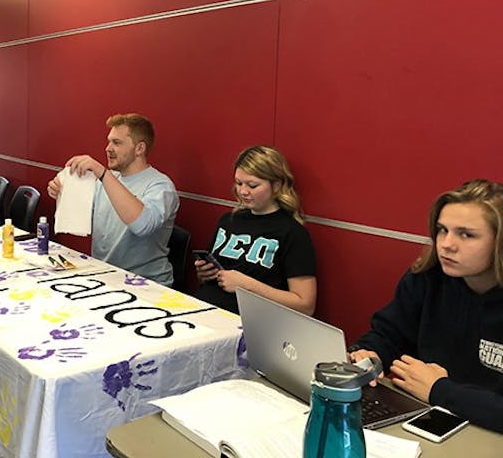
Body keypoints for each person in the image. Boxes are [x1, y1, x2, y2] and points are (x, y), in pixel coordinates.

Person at [348, 179, 503, 433]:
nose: (447, 244)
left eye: (466, 234)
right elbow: (389, 334)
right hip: (429, 418)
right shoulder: (427, 278)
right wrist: (369, 354)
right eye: (442, 230)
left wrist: (440, 390)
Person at [47, 113, 179, 285]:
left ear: (139, 149)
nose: (108, 148)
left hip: (147, 285)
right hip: (106, 276)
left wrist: (102, 173)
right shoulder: (108, 181)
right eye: (109, 141)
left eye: (116, 143)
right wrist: (62, 193)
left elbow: (142, 225)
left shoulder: (161, 187)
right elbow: (82, 216)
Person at [194, 146, 317, 315]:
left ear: (276, 185)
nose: (243, 191)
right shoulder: (228, 220)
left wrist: (247, 286)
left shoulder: (292, 233)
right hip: (204, 309)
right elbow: (208, 279)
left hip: (247, 320)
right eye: (239, 183)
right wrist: (204, 273)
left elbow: (305, 305)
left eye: (253, 185)